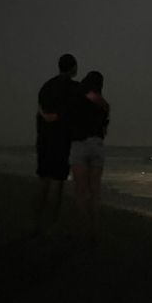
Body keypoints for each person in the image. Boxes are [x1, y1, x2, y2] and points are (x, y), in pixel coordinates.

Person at [33, 53, 81, 235]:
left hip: (44, 139)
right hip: (62, 141)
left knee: (44, 180)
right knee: (58, 183)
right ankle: (52, 223)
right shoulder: (75, 89)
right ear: (73, 67)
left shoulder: (46, 87)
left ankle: (37, 223)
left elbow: (40, 113)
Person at [68, 71, 110, 244]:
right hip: (97, 145)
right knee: (95, 191)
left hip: (79, 144)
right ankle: (94, 230)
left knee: (80, 191)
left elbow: (69, 120)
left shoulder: (76, 98)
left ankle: (82, 229)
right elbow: (104, 130)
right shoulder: (104, 104)